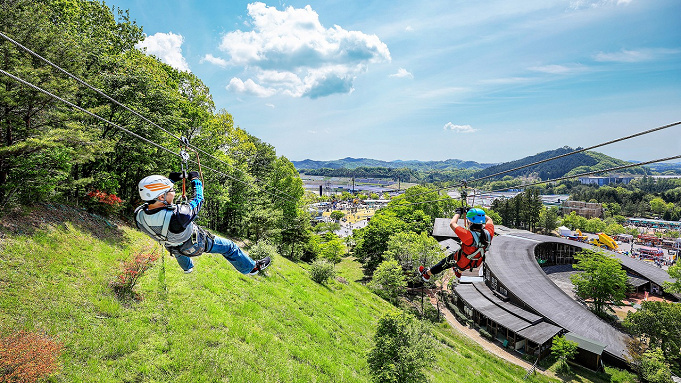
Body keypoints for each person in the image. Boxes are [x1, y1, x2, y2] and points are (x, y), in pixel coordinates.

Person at [134, 172, 270, 275]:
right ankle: (252, 268)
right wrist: (195, 180)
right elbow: (198, 199)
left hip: (171, 244)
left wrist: (170, 180)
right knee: (230, 247)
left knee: (177, 250)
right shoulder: (180, 215)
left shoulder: (139, 214)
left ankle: (187, 268)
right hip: (194, 243)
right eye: (171, 190)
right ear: (160, 197)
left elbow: (151, 201)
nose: (174, 193)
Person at [419, 207, 494, 282]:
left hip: (461, 261)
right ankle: (458, 272)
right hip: (476, 262)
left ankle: (427, 274)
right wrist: (476, 213)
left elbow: (452, 224)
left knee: (445, 262)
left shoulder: (467, 235)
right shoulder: (488, 233)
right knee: (468, 255)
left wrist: (458, 213)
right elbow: (489, 220)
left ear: (470, 223)